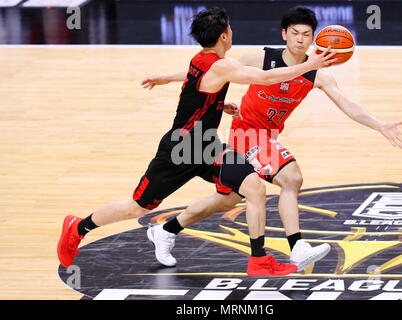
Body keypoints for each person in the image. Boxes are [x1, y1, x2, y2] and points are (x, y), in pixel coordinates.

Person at [57, 7, 337, 276]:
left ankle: (259, 260)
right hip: (181, 148)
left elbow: (203, 86)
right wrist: (310, 65)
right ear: (224, 36)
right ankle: (79, 227)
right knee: (139, 207)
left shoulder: (203, 59)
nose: (231, 32)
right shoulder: (221, 65)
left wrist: (217, 102)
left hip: (207, 145)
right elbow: (263, 78)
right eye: (229, 29)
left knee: (253, 187)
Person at [141, 6, 402, 272]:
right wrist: (168, 77)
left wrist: (379, 126)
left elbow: (346, 103)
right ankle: (297, 246)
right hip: (245, 133)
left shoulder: (317, 73)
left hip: (267, 136)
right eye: (295, 33)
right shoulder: (262, 58)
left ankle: (166, 229)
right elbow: (212, 71)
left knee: (226, 199)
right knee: (291, 177)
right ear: (284, 34)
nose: (300, 39)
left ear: (313, 37)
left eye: (306, 34)